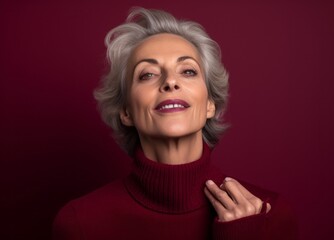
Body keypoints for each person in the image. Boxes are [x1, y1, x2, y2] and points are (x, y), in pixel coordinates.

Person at [52, 8, 297, 240]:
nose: (170, 82)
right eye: (147, 74)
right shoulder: (80, 223)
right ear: (126, 111)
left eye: (187, 71)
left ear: (210, 103)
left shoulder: (269, 216)